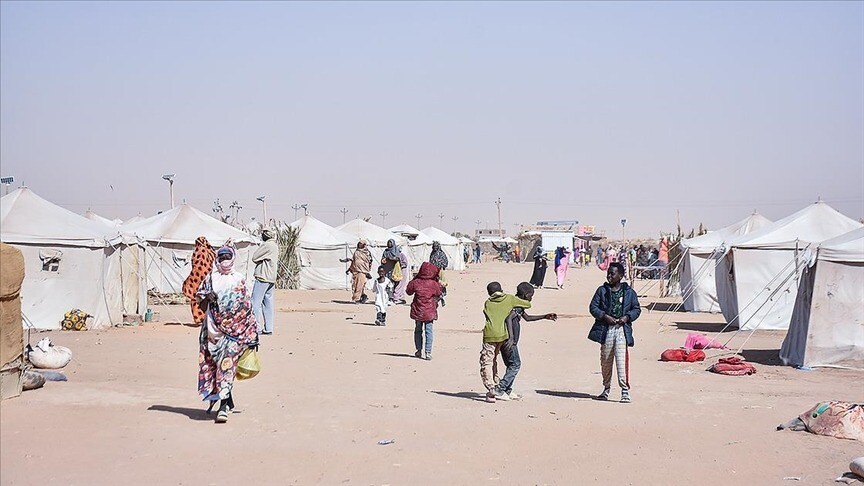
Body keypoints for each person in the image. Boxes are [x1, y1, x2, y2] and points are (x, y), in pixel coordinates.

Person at [197, 246, 259, 423]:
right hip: (212, 332)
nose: (224, 260)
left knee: (226, 367)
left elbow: (247, 307)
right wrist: (207, 298)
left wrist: (253, 335)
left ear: (233, 258)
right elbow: (200, 303)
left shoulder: (239, 279)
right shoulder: (210, 279)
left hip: (234, 333)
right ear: (217, 259)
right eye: (222, 257)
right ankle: (228, 401)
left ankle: (223, 407)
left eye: (227, 256)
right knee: (216, 367)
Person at [588, 262, 641, 404]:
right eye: (608, 273)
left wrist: (627, 317)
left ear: (621, 276)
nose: (609, 276)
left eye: (612, 273)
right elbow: (593, 307)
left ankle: (625, 391)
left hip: (622, 330)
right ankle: (606, 389)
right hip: (606, 330)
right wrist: (604, 316)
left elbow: (636, 309)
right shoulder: (602, 291)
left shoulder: (629, 292)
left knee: (621, 360)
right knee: (606, 360)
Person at [494, 282, 557, 401]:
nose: (531, 298)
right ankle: (500, 389)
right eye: (530, 296)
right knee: (516, 364)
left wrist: (544, 316)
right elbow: (509, 318)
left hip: (506, 339)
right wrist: (511, 338)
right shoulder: (516, 306)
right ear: (525, 295)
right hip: (509, 341)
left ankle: (507, 391)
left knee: (511, 365)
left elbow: (527, 318)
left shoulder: (518, 304)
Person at [480, 282, 532, 402]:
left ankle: (493, 388)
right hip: (503, 335)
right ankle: (499, 388)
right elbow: (527, 304)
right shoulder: (509, 299)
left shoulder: (487, 302)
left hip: (490, 335)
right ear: (502, 290)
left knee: (487, 362)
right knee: (496, 362)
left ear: (489, 293)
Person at [406, 262, 442, 360]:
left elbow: (408, 291)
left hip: (418, 311)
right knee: (429, 331)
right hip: (429, 311)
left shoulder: (416, 282)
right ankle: (428, 352)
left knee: (418, 330)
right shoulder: (433, 284)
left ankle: (418, 350)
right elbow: (439, 293)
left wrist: (414, 279)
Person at [251, 228, 279, 335]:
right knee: (268, 303)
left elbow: (254, 257)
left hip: (263, 276)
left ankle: (256, 327)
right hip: (271, 277)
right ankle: (268, 328)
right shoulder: (275, 245)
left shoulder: (267, 245)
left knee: (255, 302)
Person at [341, 239, 372, 304]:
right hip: (355, 271)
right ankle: (363, 296)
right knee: (356, 285)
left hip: (362, 271)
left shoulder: (367, 253)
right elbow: (354, 261)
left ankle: (357, 298)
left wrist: (368, 270)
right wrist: (349, 269)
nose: (359, 245)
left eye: (361, 244)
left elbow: (369, 262)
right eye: (359, 243)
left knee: (359, 285)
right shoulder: (356, 252)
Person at [381, 239, 408, 304]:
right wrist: (383, 260)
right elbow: (382, 259)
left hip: (395, 271)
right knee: (388, 284)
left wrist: (392, 259)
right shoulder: (386, 251)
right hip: (387, 270)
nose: (389, 244)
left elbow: (399, 260)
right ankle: (388, 298)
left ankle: (395, 298)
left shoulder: (398, 253)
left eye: (390, 243)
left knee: (397, 285)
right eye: (388, 242)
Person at [429, 241, 449, 306]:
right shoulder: (432, 253)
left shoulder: (441, 253)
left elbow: (445, 262)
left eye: (436, 246)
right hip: (433, 272)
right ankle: (436, 298)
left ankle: (441, 297)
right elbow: (430, 261)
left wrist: (440, 267)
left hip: (440, 271)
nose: (435, 248)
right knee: (434, 285)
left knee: (441, 285)